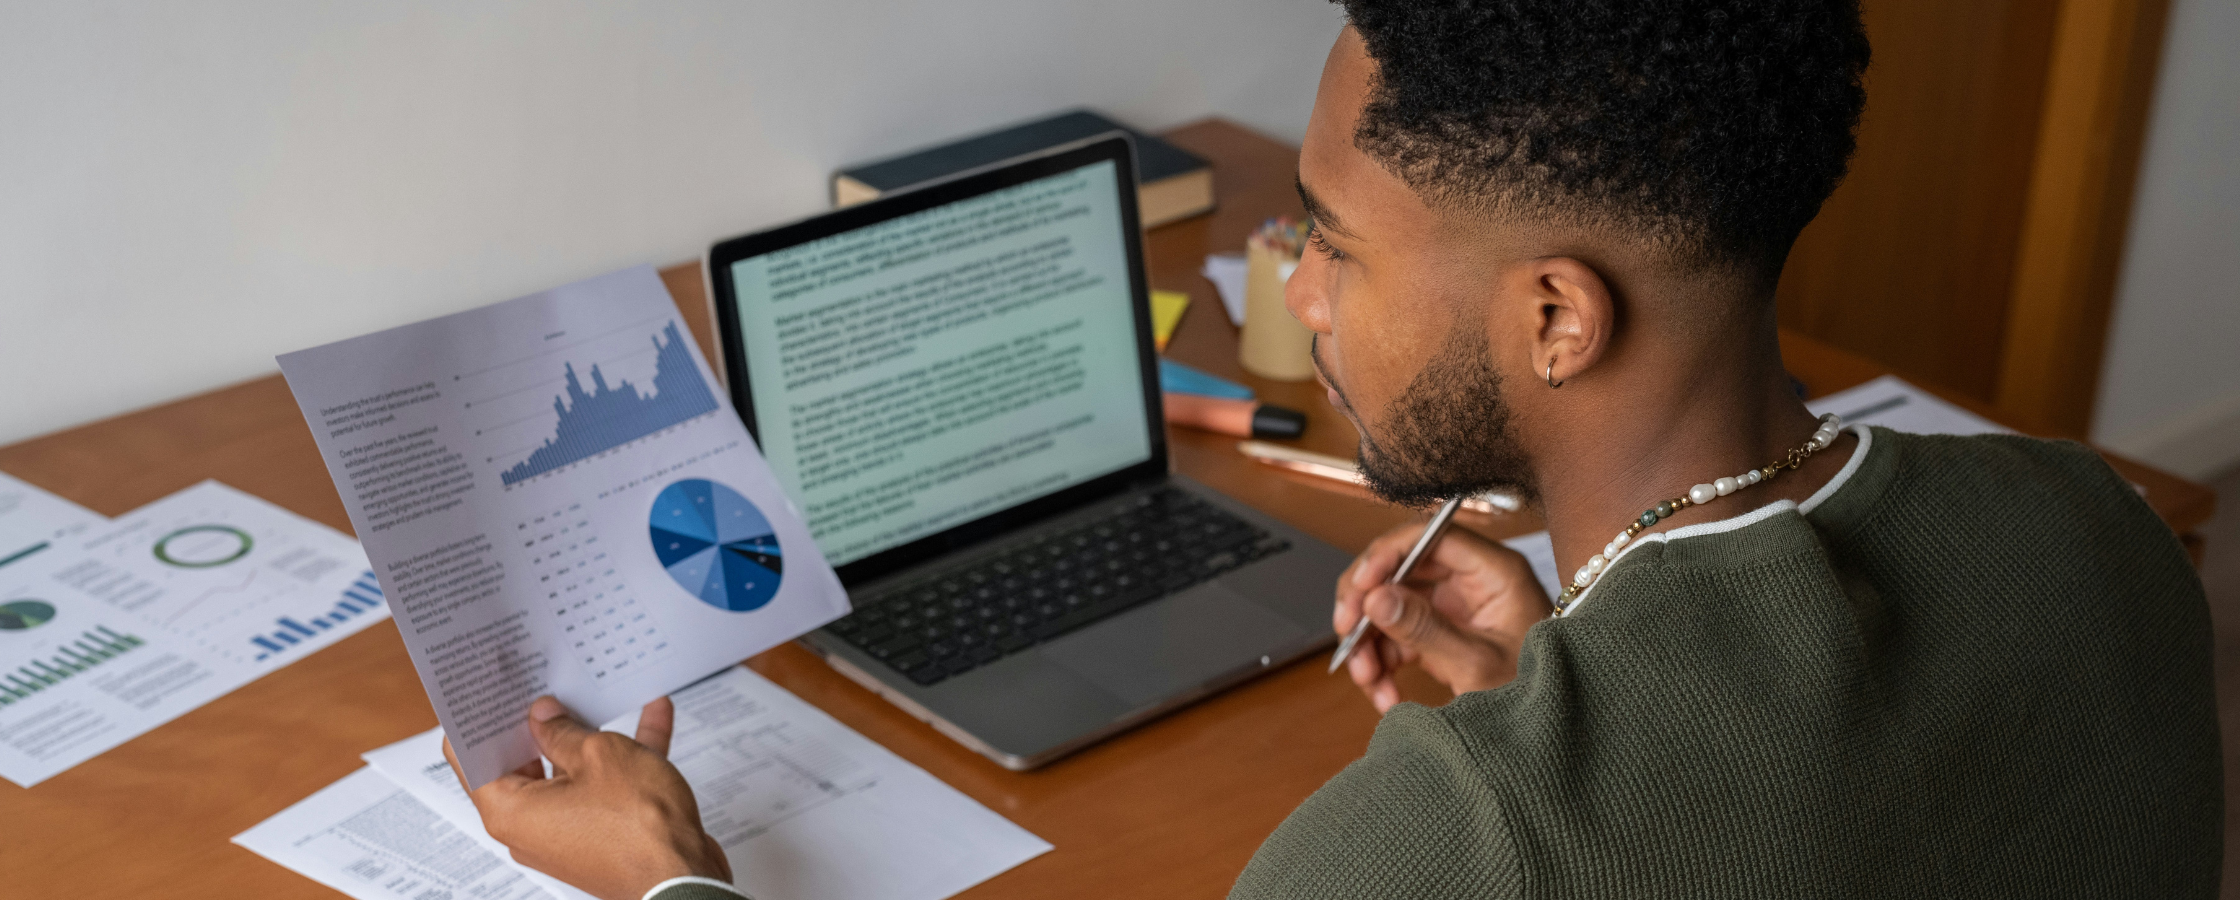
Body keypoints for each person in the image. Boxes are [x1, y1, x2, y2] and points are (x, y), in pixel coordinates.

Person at [446, 2, 2225, 898]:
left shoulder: (1460, 839)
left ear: (1556, 321)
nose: (1289, 284)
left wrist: (673, 874)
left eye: (1333, 245)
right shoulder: (2099, 523)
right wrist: (1584, 663)